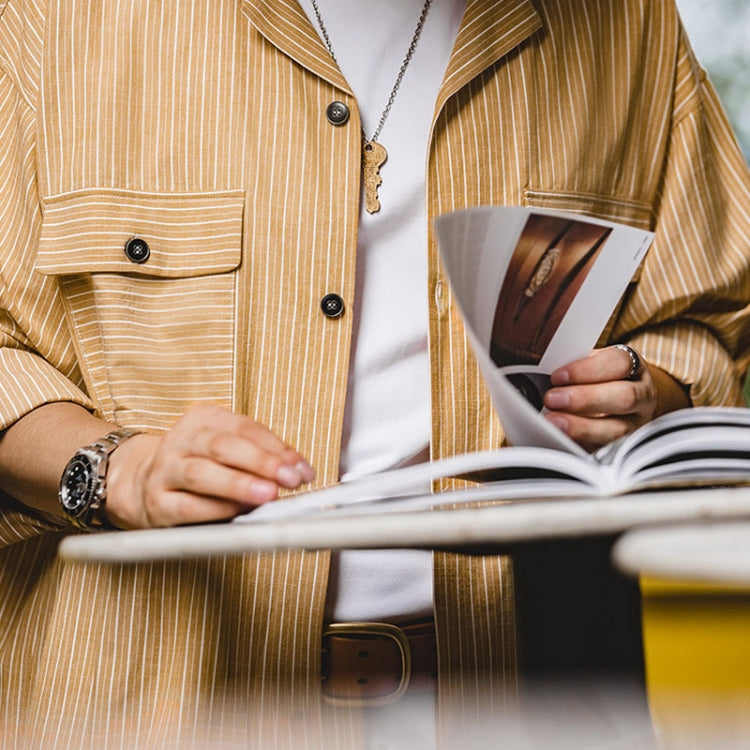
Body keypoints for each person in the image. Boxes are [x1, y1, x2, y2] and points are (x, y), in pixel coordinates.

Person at [0, 0, 748, 747]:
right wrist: (119, 470)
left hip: (530, 707)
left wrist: (649, 395)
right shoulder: (48, 19)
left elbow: (711, 322)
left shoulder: (630, 22)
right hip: (142, 709)